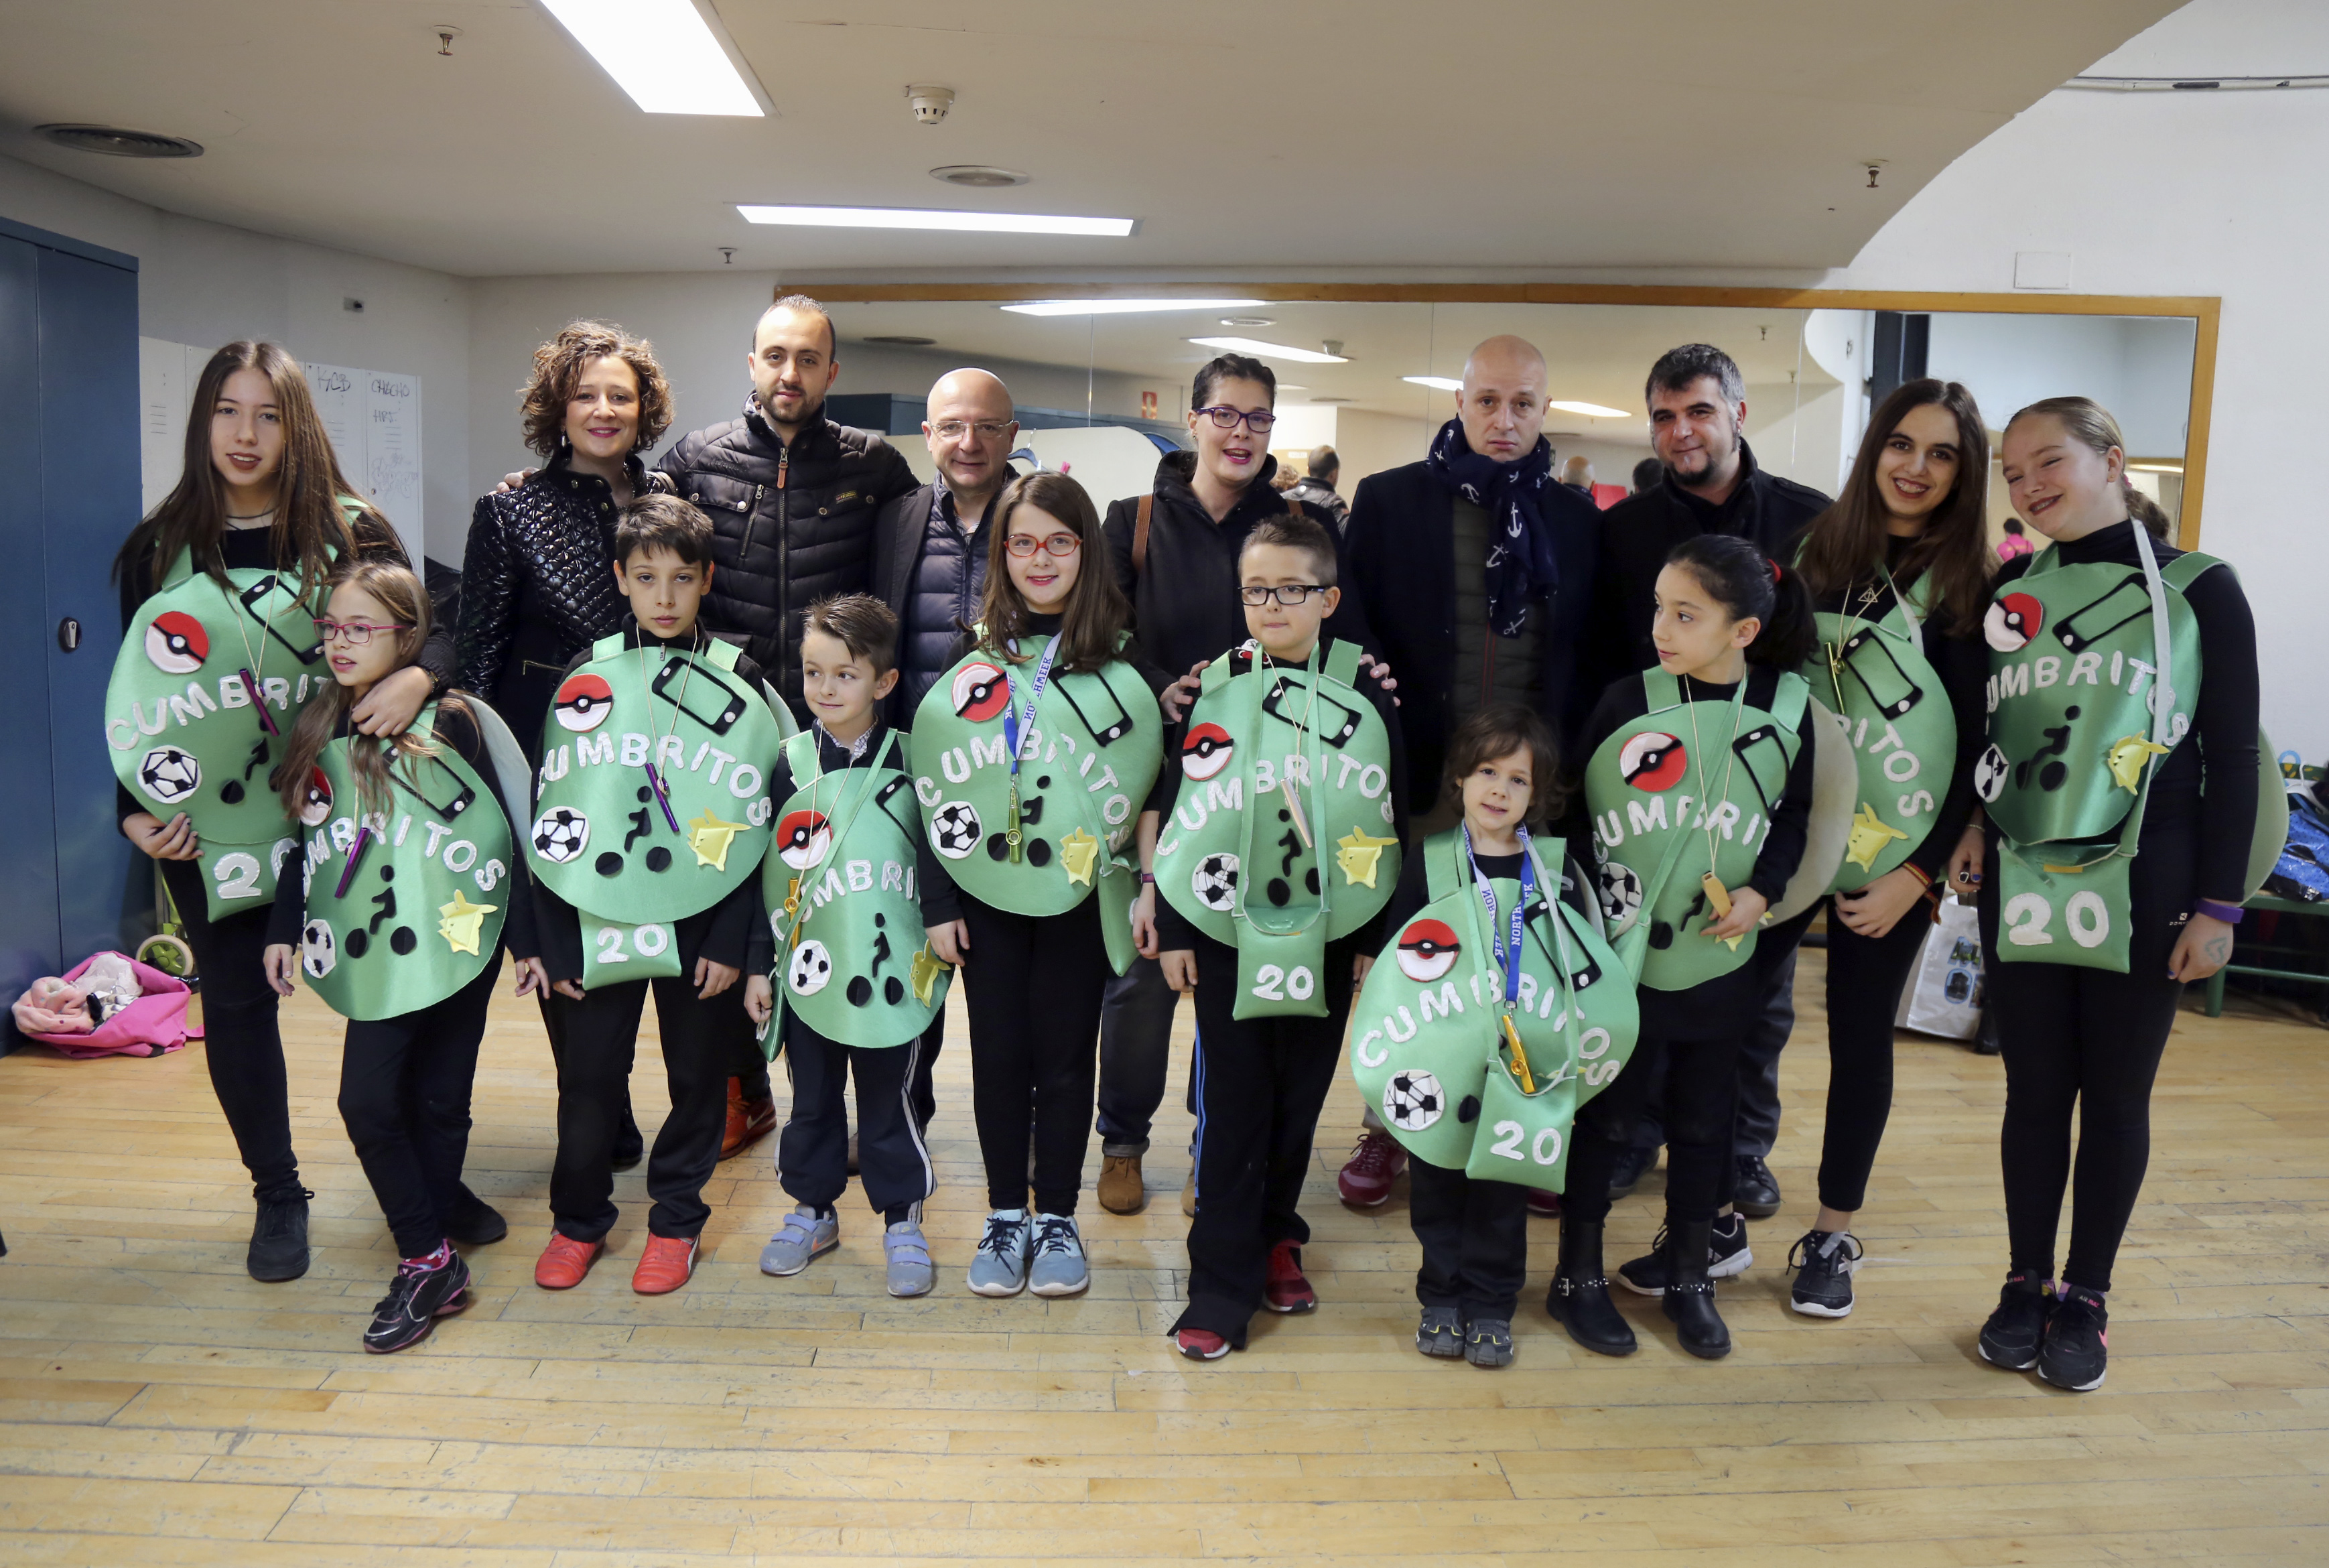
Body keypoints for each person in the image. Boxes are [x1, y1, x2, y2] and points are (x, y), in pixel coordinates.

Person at [109, 340, 451, 1284]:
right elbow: (132, 696)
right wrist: (132, 810)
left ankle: (427, 1178)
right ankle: (277, 1192)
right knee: (235, 1003)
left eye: (267, 414)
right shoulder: (159, 547)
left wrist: (419, 675)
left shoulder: (352, 530)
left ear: (297, 426)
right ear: (202, 420)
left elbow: (439, 625)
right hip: (209, 826)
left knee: (393, 985)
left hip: (351, 810)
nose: (246, 433)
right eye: (227, 410)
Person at [1965, 397, 2258, 1393]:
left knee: (2116, 1095)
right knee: (2033, 1093)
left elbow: (2231, 758)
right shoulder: (2012, 589)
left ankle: (2085, 1295)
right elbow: (1991, 736)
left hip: (2151, 876)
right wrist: (1973, 831)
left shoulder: (2199, 587)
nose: (2029, 485)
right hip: (2024, 874)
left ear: (2112, 461)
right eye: (2013, 473)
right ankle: (2024, 1281)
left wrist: (2219, 907)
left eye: (2048, 461)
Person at [459, 323, 781, 1167]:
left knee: (691, 912)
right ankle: (599, 1109)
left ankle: (725, 1093)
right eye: (584, 395)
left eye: (620, 396)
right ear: (556, 408)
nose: (602, 410)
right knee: (578, 935)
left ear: (645, 411)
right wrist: (488, 769)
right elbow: (478, 650)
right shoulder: (509, 508)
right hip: (560, 753)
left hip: (671, 746)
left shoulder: (669, 492)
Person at [1093, 353, 1372, 1218]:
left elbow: (1338, 633)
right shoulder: (1134, 519)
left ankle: (1211, 1151)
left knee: (1235, 967)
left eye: (1257, 417)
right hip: (1160, 774)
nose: (1240, 432)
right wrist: (1160, 686)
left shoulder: (1299, 523)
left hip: (1269, 785)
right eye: (1224, 414)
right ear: (1193, 420)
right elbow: (1103, 634)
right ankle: (1122, 1142)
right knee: (1143, 971)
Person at [1335, 334, 1601, 1208]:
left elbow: (1588, 652)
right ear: (1459, 403)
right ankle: (1389, 1125)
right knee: (1417, 963)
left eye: (1522, 403)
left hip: (1530, 789)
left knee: (1526, 967)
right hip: (1424, 777)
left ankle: (1526, 1117)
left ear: (1545, 410)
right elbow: (1355, 630)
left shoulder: (1574, 520)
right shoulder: (1390, 501)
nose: (1503, 418)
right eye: (1487, 400)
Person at [1579, 343, 1834, 1224]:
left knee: (1755, 998)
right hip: (1649, 789)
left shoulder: (1810, 520)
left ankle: (1742, 1147)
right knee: (1646, 977)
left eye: (1698, 411)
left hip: (1755, 789)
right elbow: (1602, 651)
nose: (1680, 430)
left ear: (1737, 413)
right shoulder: (1622, 530)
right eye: (1663, 416)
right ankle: (1632, 1135)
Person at [1143, 514, 1407, 1360]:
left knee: (1299, 1100)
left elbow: (1390, 809)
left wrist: (1373, 934)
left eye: (1291, 589)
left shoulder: (1365, 688)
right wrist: (1175, 923)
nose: (1270, 605)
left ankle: (1276, 1238)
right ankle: (1218, 1284)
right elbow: (1184, 812)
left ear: (1328, 598)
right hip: (1228, 930)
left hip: (1329, 930)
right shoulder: (1214, 685)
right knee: (1234, 1107)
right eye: (1255, 590)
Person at [1556, 535, 1820, 1360]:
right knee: (1607, 1119)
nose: (1659, 629)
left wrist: (1763, 890)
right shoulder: (1624, 700)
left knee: (1707, 1123)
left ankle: (1688, 1275)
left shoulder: (1787, 708)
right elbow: (1574, 817)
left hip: (1721, 953)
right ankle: (1576, 1277)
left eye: (1684, 614)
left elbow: (1793, 817)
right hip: (1625, 957)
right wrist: (1590, 919)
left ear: (1742, 631)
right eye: (1658, 608)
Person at [260, 561, 532, 1352]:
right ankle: (429, 1253)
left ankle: (432, 1227)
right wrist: (282, 928)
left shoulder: (452, 722)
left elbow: (501, 836)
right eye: (331, 628)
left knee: (442, 1099)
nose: (339, 643)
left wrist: (527, 944)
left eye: (360, 629)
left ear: (407, 638)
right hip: (375, 946)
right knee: (368, 1103)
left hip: (458, 935)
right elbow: (307, 840)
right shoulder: (321, 722)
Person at [1768, 379, 1994, 1318]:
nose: (1916, 468)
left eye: (1942, 454)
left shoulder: (1972, 588)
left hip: (1894, 853)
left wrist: (1917, 871)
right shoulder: (1815, 555)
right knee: (1735, 1025)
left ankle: (1831, 1232)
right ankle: (1714, 1215)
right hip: (1786, 834)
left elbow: (1976, 748)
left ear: (1964, 474)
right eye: (1902, 445)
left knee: (1860, 1040)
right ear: (1874, 451)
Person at [916, 472, 1166, 1297]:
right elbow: (932, 789)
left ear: (1086, 550)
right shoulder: (972, 656)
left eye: (1059, 541)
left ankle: (1055, 1213)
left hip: (1079, 895)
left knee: (1064, 1059)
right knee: (997, 1058)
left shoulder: (1124, 659)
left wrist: (1148, 885)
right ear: (1000, 554)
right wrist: (938, 903)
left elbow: (1153, 785)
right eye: (1021, 542)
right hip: (985, 895)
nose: (1040, 559)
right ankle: (1002, 1215)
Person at [520, 496, 777, 1297]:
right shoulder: (586, 675)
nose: (664, 597)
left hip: (704, 916)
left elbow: (761, 825)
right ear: (619, 579)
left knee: (697, 1079)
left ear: (707, 579)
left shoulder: (741, 678)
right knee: (589, 1078)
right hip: (597, 913)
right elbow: (551, 811)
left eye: (680, 579)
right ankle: (578, 1220)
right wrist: (553, 937)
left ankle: (675, 1221)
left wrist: (736, 941)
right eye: (644, 578)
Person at [1361, 703, 1632, 1368]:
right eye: (1487, 771)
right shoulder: (1429, 864)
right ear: (1459, 777)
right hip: (1442, 1061)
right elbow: (1394, 969)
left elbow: (1583, 972)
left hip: (1523, 1068)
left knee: (1502, 1193)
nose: (1499, 790)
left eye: (1518, 779)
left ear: (1537, 795)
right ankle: (1440, 1297)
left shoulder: (1557, 872)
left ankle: (1490, 1305)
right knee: (1436, 1186)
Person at [754, 594, 949, 1298]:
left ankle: (902, 1220)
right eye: (813, 673)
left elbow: (940, 859)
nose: (826, 689)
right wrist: (757, 968)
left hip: (895, 969)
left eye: (845, 674)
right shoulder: (787, 763)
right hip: (808, 971)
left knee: (890, 1099)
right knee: (811, 1097)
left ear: (884, 682)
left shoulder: (914, 761)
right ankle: (812, 1210)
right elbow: (761, 874)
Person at [870, 367, 1022, 1130]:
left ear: (1011, 437)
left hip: (1015, 787)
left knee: (1011, 986)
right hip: (911, 784)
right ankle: (902, 1124)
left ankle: (1022, 1132)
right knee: (913, 963)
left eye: (987, 427)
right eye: (953, 427)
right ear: (928, 436)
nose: (970, 442)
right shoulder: (895, 520)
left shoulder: (1041, 518)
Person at [654, 294, 919, 714]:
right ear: (753, 364)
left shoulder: (874, 465)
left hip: (836, 703)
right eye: (775, 357)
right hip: (721, 698)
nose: (790, 374)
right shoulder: (697, 458)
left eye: (808, 360)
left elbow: (934, 543)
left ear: (831, 373)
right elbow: (631, 540)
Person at [1288, 445, 1350, 531]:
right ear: (1334, 474)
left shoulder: (1283, 498)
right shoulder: (1334, 503)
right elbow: (1348, 534)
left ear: (1308, 470)